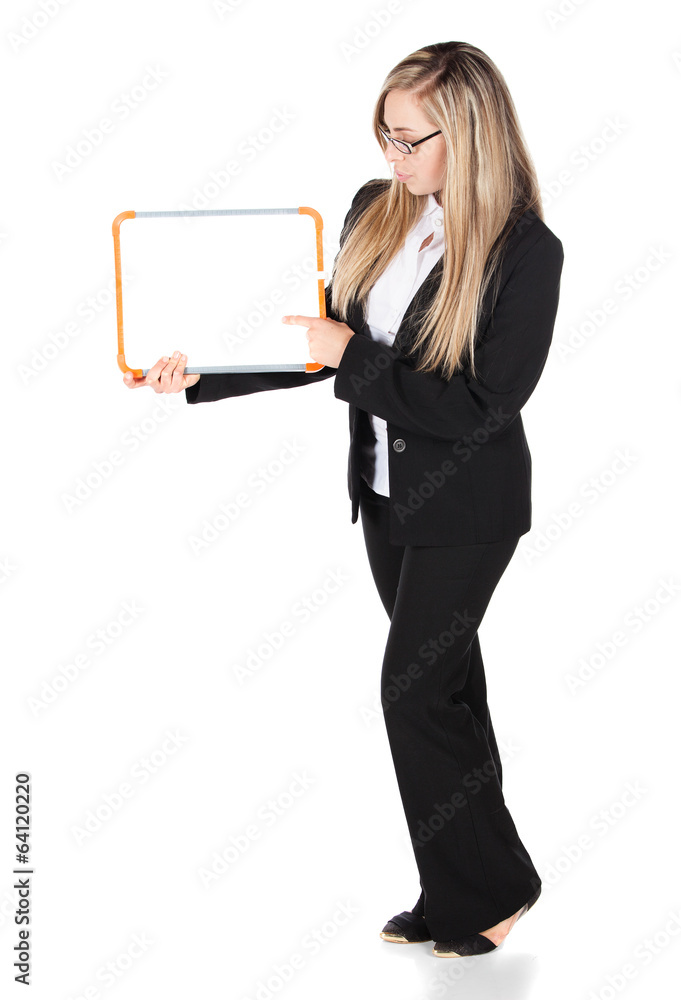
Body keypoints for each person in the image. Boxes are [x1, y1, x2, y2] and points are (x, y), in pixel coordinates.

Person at [124, 41, 563, 958]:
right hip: (386, 498)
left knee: (414, 692)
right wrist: (200, 373)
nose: (391, 157)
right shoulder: (376, 209)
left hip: (469, 508)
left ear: (469, 134)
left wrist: (351, 357)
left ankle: (485, 892)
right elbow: (315, 342)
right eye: (383, 135)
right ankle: (469, 881)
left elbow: (482, 406)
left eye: (408, 140)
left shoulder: (526, 251)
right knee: (448, 691)